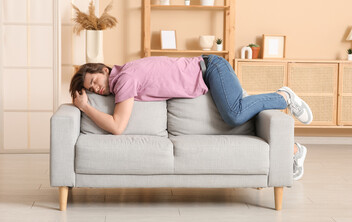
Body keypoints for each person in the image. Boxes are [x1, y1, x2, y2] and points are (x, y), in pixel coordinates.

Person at [69, 55, 312, 180]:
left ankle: (283, 97)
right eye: (91, 91)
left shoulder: (123, 79)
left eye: (94, 82)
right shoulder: (124, 76)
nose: (96, 89)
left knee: (235, 114)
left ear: (103, 69)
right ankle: (293, 150)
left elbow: (117, 127)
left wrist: (85, 107)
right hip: (209, 71)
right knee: (239, 118)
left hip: (211, 68)